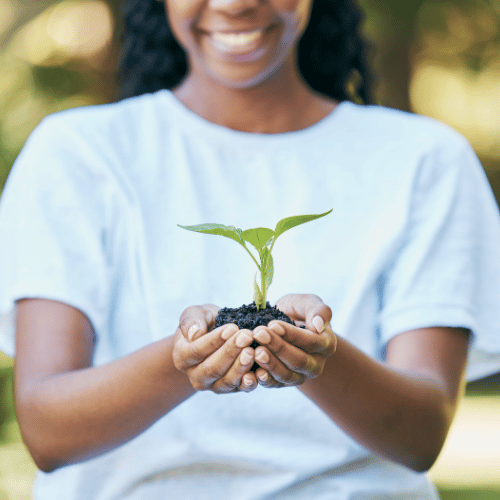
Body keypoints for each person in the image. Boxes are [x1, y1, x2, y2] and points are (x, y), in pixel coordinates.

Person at [0, 0, 500, 498]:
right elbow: (47, 432)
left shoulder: (426, 160)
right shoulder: (78, 153)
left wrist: (317, 357)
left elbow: (422, 435)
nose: (233, 3)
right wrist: (182, 361)